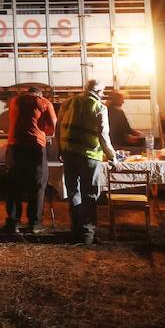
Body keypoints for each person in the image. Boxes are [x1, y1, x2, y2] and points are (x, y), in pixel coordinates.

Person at [57, 80, 118, 244]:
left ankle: (75, 230)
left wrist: (60, 149)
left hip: (69, 153)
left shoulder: (69, 103)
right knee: (89, 194)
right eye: (102, 91)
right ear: (98, 91)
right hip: (90, 156)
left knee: (74, 192)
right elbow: (103, 135)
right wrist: (112, 156)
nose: (103, 95)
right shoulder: (99, 107)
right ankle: (87, 234)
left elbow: (59, 126)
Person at [4, 85, 56, 235]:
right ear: (39, 94)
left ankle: (13, 223)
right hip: (35, 148)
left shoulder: (15, 101)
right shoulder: (44, 103)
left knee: (14, 185)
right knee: (38, 184)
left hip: (15, 147)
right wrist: (44, 130)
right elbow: (53, 126)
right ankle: (34, 224)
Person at [105, 89, 145, 154]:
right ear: (117, 99)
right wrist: (138, 134)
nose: (123, 102)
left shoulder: (106, 109)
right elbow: (126, 129)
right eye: (122, 99)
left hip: (109, 141)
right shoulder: (118, 111)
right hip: (119, 142)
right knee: (143, 142)